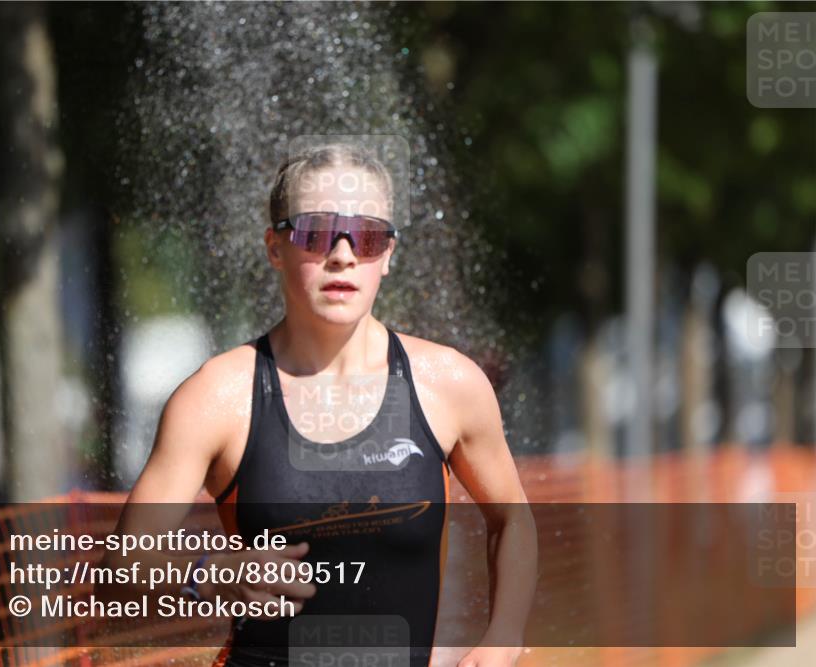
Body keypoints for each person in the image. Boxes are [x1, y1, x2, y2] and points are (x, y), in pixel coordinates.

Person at [102, 143, 537, 667]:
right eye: (316, 232)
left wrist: (503, 637)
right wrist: (211, 572)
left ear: (389, 255)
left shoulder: (447, 383)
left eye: (369, 236)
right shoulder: (218, 397)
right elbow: (121, 572)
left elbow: (512, 518)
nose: (344, 254)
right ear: (274, 247)